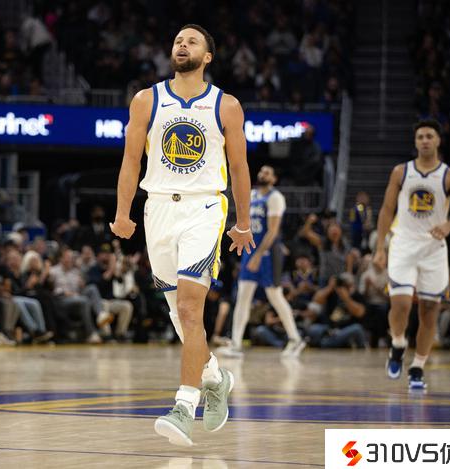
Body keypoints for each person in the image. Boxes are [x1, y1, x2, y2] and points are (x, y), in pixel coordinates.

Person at [110, 24, 254, 446]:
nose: (182, 45)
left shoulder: (226, 105)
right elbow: (130, 161)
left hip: (204, 207)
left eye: (192, 41)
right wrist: (122, 213)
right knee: (180, 317)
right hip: (157, 208)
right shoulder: (146, 100)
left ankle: (183, 407)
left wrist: (243, 222)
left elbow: (240, 168)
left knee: (191, 310)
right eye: (178, 40)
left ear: (207, 56)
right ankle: (215, 377)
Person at [374, 119, 450, 390]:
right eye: (420, 137)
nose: (425, 141)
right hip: (403, 244)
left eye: (429, 136)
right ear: (415, 142)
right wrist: (380, 247)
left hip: (433, 248)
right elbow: (386, 210)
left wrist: (449, 225)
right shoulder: (401, 172)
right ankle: (398, 343)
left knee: (429, 310)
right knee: (401, 305)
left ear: (438, 140)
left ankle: (417, 367)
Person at [219, 166, 305, 358]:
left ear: (274, 179)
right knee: (242, 296)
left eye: (267, 173)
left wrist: (258, 256)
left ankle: (295, 339)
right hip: (250, 250)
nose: (262, 174)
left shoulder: (275, 198)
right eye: (262, 172)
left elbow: (273, 231)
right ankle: (236, 344)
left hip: (268, 253)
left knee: (275, 295)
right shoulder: (252, 195)